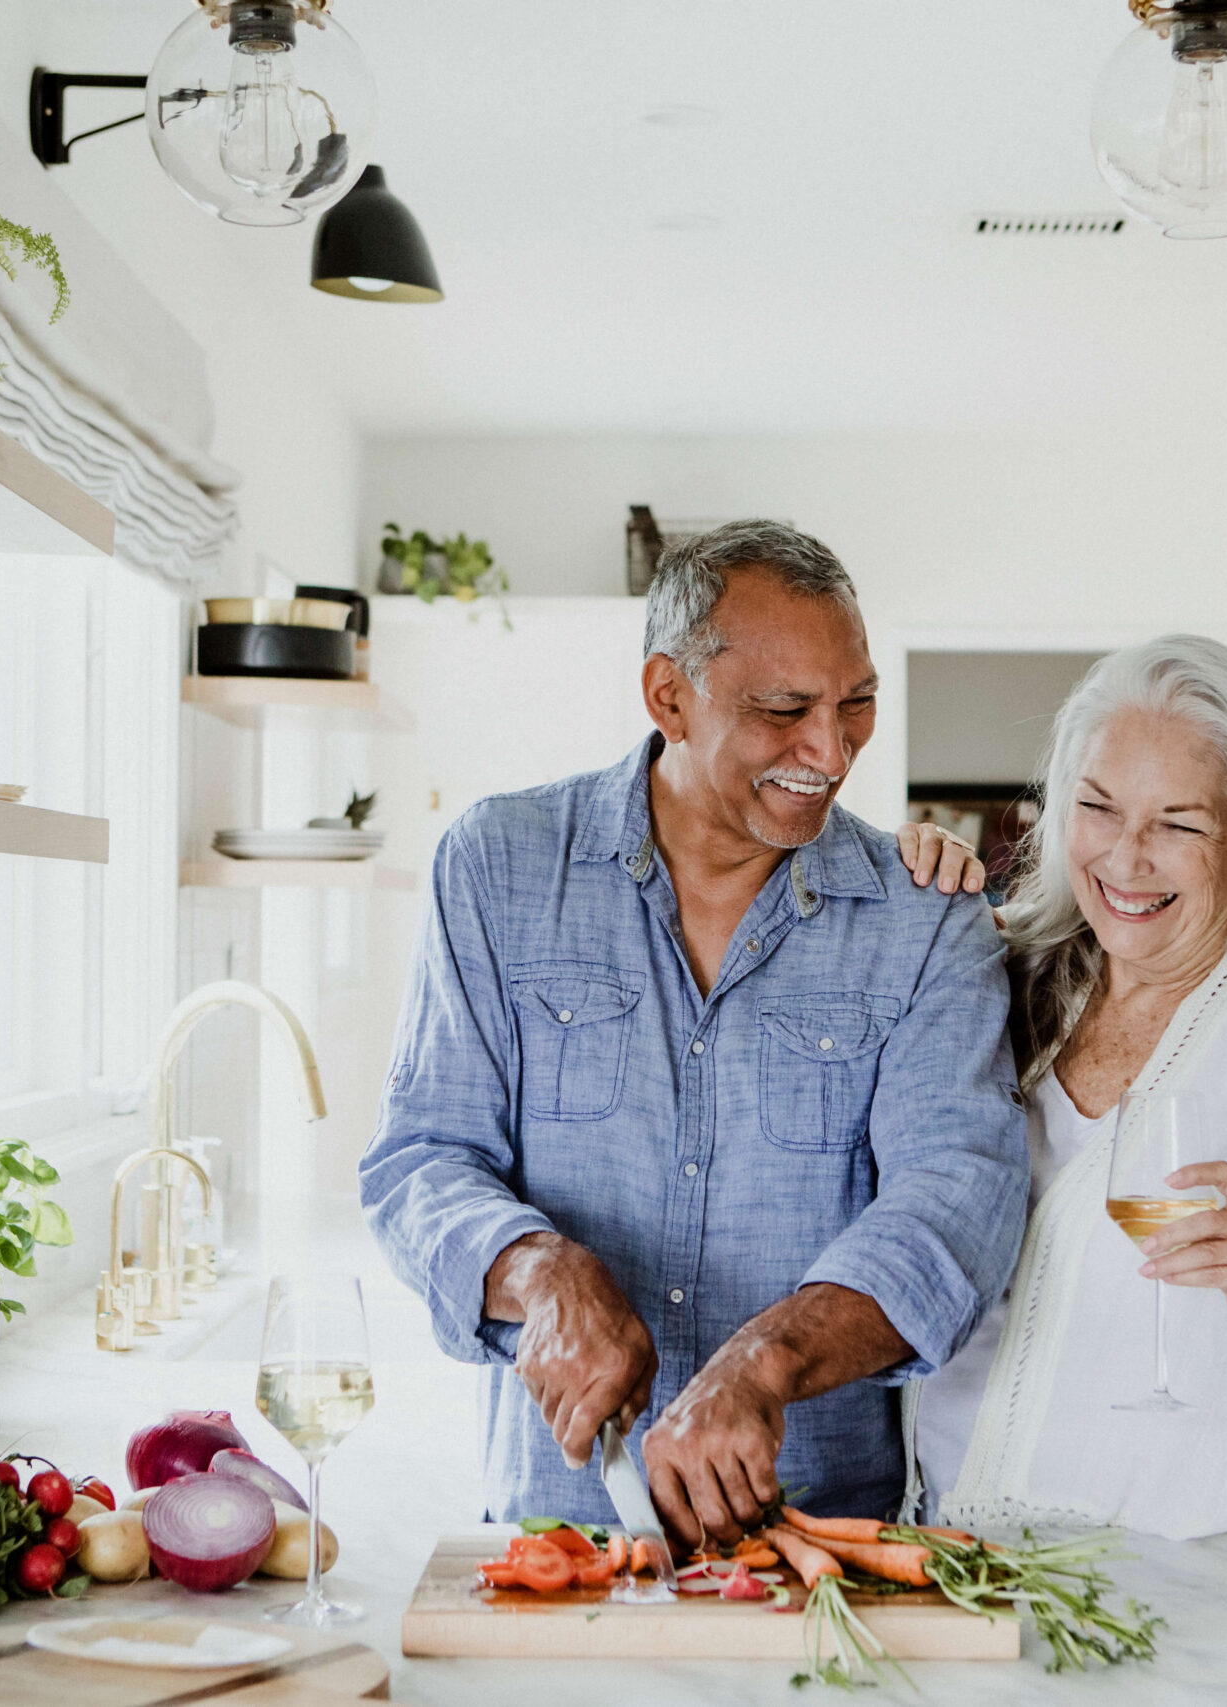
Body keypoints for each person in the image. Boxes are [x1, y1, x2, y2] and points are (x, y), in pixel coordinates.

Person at [360, 519, 1027, 1546]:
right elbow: (420, 1160)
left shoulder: (926, 916)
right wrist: (538, 1271)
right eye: (782, 711)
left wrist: (763, 1363)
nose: (830, 751)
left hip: (819, 1543)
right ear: (667, 696)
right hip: (553, 1532)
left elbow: (954, 1207)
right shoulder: (496, 866)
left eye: (856, 706)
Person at [898, 636, 1227, 1538]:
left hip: (1164, 1593)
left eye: (1179, 824)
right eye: (1099, 808)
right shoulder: (1005, 978)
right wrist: (903, 884)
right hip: (944, 1553)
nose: (1126, 857)